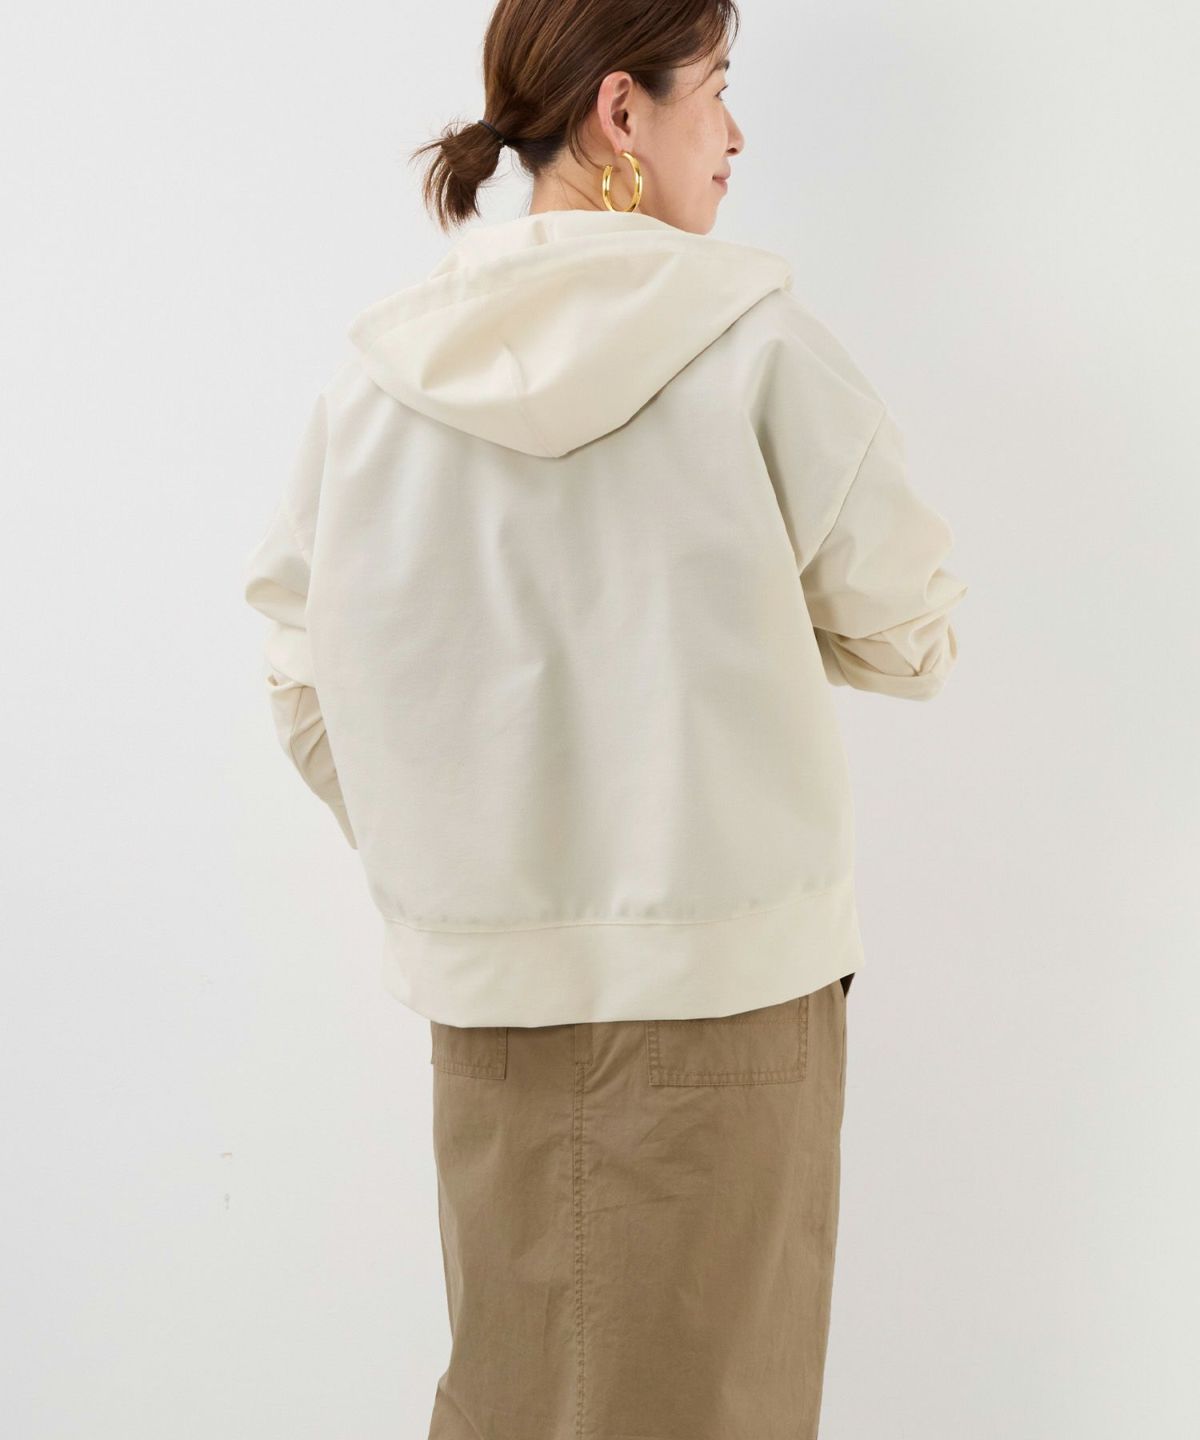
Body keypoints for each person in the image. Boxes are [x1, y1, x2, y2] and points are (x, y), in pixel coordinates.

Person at [242, 2, 967, 1435]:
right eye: (718, 90)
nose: (736, 135)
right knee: (721, 1405)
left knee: (511, 1401)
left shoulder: (379, 380)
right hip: (734, 994)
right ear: (622, 112)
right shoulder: (756, 345)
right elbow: (913, 633)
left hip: (492, 1008)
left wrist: (455, 846)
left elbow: (300, 674)